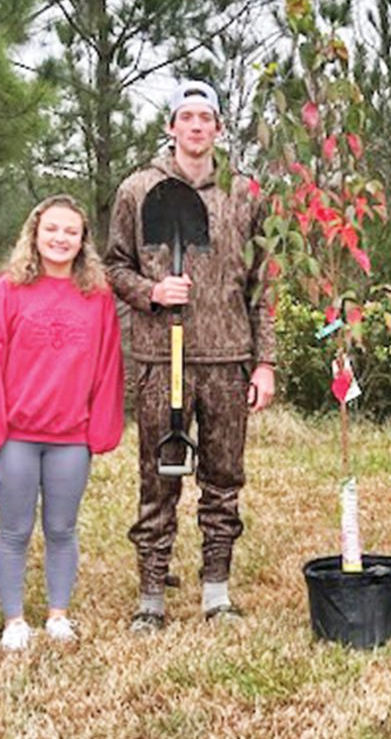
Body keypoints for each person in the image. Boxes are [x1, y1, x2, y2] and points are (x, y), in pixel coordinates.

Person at [106, 79, 275, 631]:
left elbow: (262, 284)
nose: (196, 126)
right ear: (172, 126)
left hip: (228, 357)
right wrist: (152, 291)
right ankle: (151, 597)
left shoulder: (244, 193)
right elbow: (115, 266)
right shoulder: (139, 190)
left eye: (206, 118)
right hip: (162, 359)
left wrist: (265, 362)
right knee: (159, 479)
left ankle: (216, 593)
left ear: (219, 128)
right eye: (187, 117)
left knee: (223, 480)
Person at [0, 196, 124, 651]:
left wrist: (101, 427)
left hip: (70, 437)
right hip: (16, 436)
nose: (60, 238)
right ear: (34, 233)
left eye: (71, 231)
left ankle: (58, 615)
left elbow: (108, 365)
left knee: (62, 529)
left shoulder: (97, 297)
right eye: (51, 229)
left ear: (83, 240)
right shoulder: (7, 292)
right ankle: (14, 620)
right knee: (14, 531)